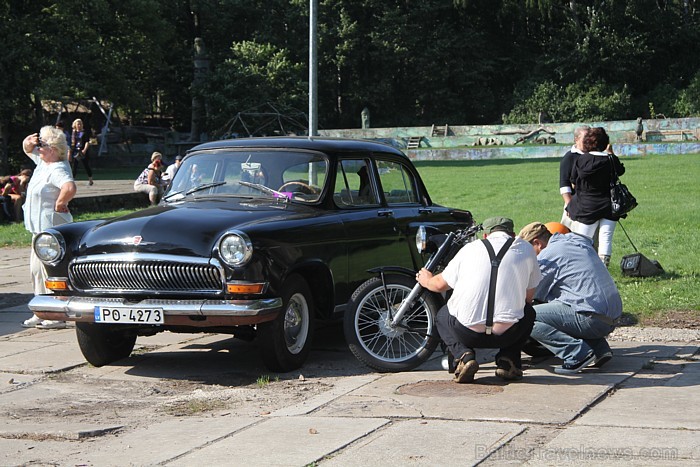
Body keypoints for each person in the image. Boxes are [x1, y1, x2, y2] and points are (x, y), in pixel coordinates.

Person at [416, 217, 542, 383]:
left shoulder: (470, 248)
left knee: (442, 315)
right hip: (507, 335)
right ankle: (508, 360)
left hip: (467, 334)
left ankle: (464, 356)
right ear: (512, 234)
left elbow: (439, 285)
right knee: (528, 312)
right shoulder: (526, 249)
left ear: (485, 235)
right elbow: (528, 298)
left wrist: (426, 280)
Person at [519, 221, 622, 374]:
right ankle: (600, 349)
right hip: (612, 316)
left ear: (537, 243)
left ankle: (577, 354)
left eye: (528, 252)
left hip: (591, 317)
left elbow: (530, 296)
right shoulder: (576, 241)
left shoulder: (547, 257)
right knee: (563, 307)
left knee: (523, 317)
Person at [20, 126, 77, 330]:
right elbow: (27, 149)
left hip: (52, 232)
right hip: (40, 231)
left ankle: (57, 314)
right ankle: (41, 310)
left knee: (51, 272)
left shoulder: (57, 168)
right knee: (36, 271)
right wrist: (30, 142)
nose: (38, 148)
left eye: (41, 144)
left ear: (52, 148)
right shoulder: (43, 162)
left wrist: (61, 202)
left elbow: (69, 187)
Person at [565, 127, 626, 267]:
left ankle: (583, 268)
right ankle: (603, 269)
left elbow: (573, 180)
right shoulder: (610, 160)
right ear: (605, 143)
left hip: (587, 206)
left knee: (583, 240)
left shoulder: (581, 160)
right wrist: (611, 153)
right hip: (609, 205)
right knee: (606, 238)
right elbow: (620, 171)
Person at [559, 125, 589, 230]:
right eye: (585, 138)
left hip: (593, 203)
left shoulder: (595, 155)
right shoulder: (569, 157)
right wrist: (570, 206)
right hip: (574, 202)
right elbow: (564, 185)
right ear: (576, 139)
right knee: (570, 236)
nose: (588, 141)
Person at [68, 118, 94, 186]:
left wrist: (84, 150)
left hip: (82, 150)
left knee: (86, 165)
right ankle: (72, 180)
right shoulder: (74, 133)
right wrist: (70, 152)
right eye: (78, 124)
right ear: (75, 125)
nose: (79, 125)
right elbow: (72, 143)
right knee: (74, 166)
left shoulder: (84, 132)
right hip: (75, 150)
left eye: (80, 124)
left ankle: (90, 179)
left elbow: (87, 142)